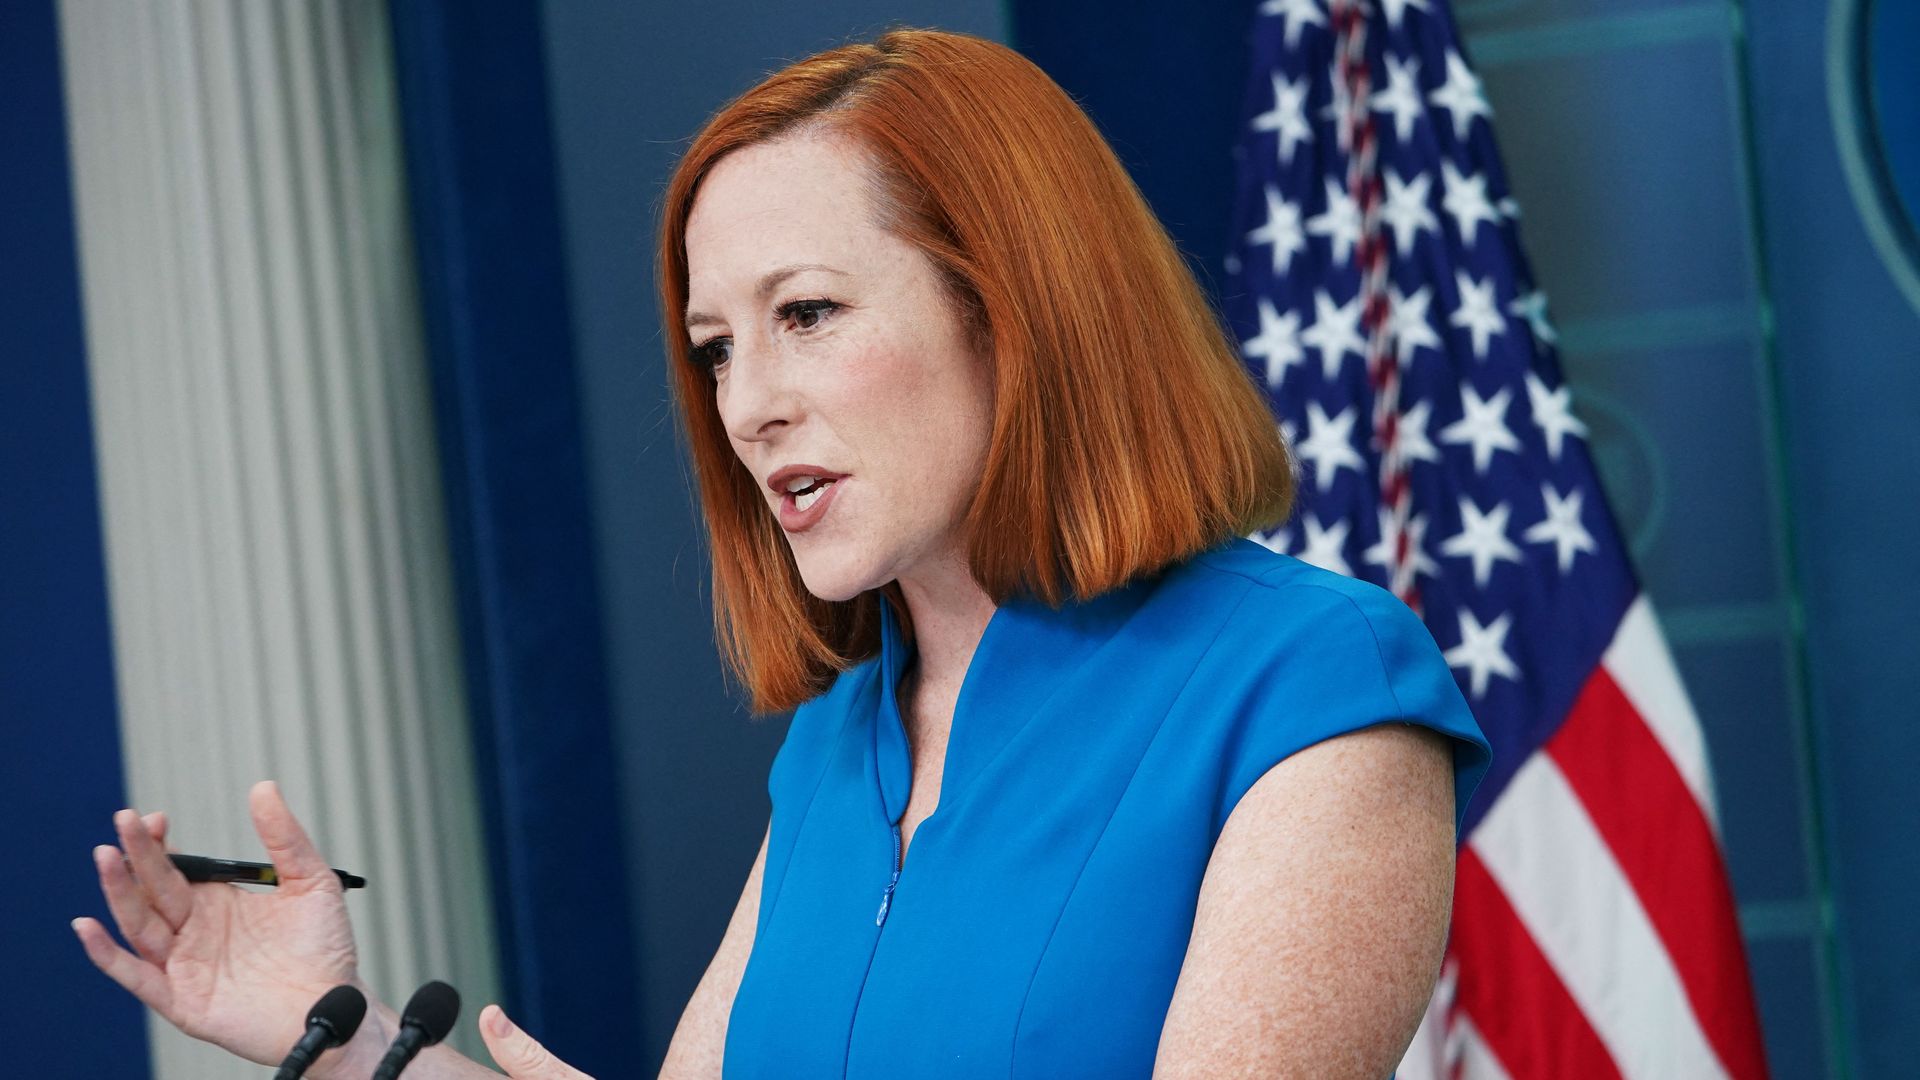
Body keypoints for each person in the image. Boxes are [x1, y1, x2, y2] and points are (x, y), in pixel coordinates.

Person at [75, 27, 1490, 1080]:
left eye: (805, 314)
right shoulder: (840, 738)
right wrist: (338, 1036)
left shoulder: (1312, 682)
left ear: (1015, 309)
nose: (745, 406)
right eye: (714, 349)